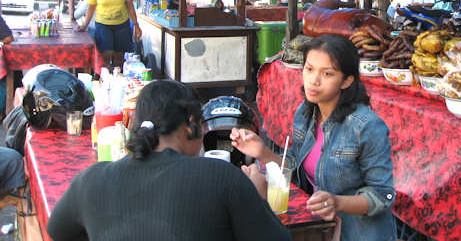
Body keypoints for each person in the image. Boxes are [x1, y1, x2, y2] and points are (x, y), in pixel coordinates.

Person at [47, 80, 290, 241]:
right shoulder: (222, 177)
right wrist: (258, 195)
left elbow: (57, 231)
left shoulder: (91, 179)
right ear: (191, 125)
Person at [231, 35, 396, 241]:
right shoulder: (306, 113)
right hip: (320, 228)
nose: (314, 80)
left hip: (359, 233)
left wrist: (337, 202)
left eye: (327, 74)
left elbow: (384, 195)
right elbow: (290, 164)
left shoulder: (367, 126)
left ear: (346, 81)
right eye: (309, 69)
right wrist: (261, 151)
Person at [78, 0, 142, 68]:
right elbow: (91, 7)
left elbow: (130, 5)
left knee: (119, 56)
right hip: (103, 24)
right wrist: (85, 25)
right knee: (106, 53)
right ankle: (103, 75)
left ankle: (117, 76)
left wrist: (136, 25)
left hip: (122, 23)